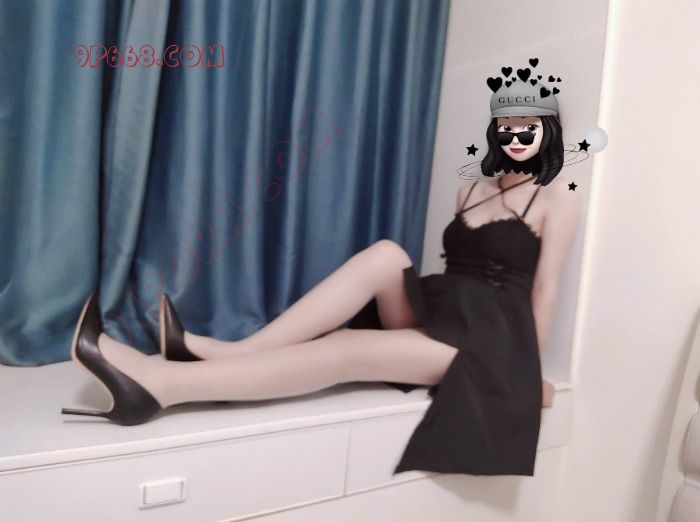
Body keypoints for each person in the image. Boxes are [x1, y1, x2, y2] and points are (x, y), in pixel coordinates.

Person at [62, 77, 580, 477]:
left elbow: (544, 288)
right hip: (443, 308)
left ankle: (162, 385)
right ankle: (237, 351)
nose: (516, 137)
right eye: (508, 127)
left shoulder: (556, 200)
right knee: (385, 254)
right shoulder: (470, 190)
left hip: (487, 340)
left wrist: (524, 371)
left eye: (528, 128)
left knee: (347, 345)